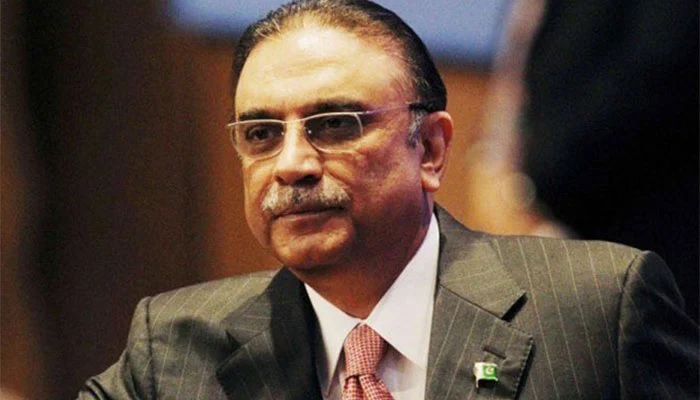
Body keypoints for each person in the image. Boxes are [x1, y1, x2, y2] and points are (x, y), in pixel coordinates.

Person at [78, 1, 698, 399]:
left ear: (429, 149)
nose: (291, 164)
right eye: (262, 135)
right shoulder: (175, 350)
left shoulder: (597, 312)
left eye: (334, 125)